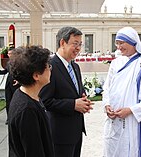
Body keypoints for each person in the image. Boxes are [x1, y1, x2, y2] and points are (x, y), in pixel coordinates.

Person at [102, 27, 141, 157]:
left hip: (134, 121)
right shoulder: (116, 63)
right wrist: (107, 106)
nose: (118, 47)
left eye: (122, 43)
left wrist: (131, 110)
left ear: (133, 42)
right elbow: (107, 88)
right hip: (115, 120)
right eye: (117, 43)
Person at [39, 26, 93, 157]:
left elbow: (76, 91)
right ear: (62, 43)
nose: (79, 48)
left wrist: (83, 99)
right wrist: (73, 104)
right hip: (59, 135)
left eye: (80, 44)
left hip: (76, 132)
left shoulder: (75, 66)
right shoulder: (50, 67)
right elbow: (45, 101)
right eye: (75, 44)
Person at [8, 46, 54, 157]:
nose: (50, 69)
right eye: (48, 67)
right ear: (36, 75)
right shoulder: (27, 110)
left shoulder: (28, 95)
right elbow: (33, 151)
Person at [0, 47, 20, 125]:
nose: (8, 55)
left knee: (15, 101)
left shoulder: (18, 62)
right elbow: (4, 72)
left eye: (10, 54)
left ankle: (15, 117)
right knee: (8, 101)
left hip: (15, 84)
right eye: (8, 54)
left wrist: (18, 80)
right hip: (8, 84)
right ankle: (9, 118)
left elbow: (21, 72)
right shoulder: (9, 63)